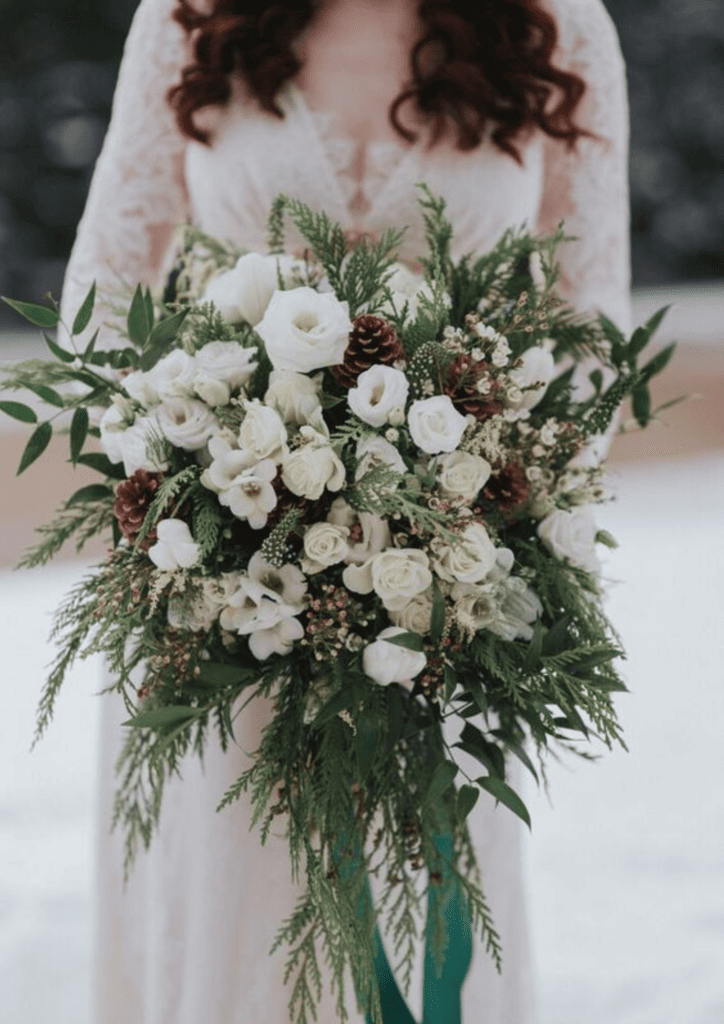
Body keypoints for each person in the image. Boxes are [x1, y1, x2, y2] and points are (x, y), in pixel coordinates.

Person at [60, 0, 631, 1021]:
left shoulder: (556, 23)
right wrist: (171, 480)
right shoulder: (190, 15)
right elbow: (104, 293)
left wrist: (506, 520)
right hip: (222, 587)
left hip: (449, 595)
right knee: (235, 913)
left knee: (429, 912)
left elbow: (588, 324)